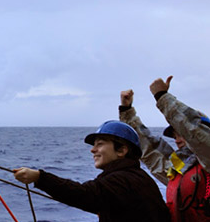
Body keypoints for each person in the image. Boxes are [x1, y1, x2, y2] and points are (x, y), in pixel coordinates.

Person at [13, 120, 170, 222]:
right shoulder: (135, 177)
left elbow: (84, 194)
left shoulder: (122, 180)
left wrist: (40, 177)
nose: (93, 150)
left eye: (100, 144)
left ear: (122, 150)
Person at [119, 76, 210, 221]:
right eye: (174, 136)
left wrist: (162, 97)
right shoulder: (180, 168)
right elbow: (151, 152)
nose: (177, 140)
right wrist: (127, 112)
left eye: (181, 134)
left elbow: (195, 133)